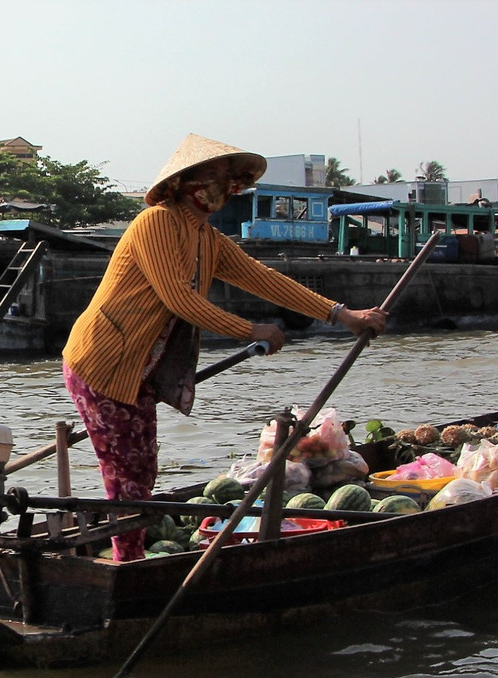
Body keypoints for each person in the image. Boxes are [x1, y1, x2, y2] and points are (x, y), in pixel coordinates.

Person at [61, 133, 388, 561]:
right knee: (125, 468)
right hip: (102, 361)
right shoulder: (156, 223)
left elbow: (264, 279)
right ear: (185, 182)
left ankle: (129, 552)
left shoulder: (206, 238)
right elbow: (178, 298)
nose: (221, 185)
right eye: (212, 175)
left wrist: (340, 314)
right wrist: (248, 328)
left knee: (141, 465)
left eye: (226, 178)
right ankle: (128, 563)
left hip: (141, 368)